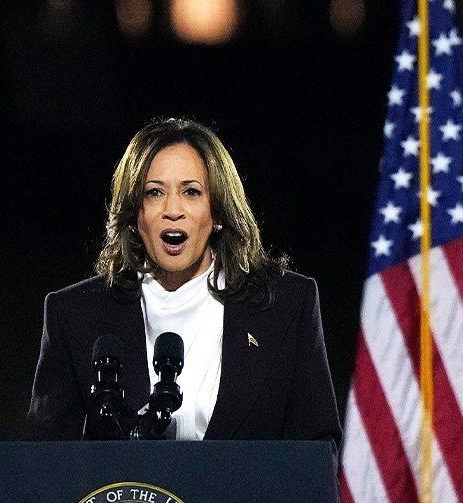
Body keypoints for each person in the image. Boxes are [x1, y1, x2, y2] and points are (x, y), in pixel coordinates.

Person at [23, 117, 340, 445]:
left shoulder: (288, 304)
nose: (172, 210)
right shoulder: (75, 313)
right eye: (154, 193)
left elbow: (315, 459)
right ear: (135, 214)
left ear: (217, 211)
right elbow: (45, 468)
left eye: (191, 192)